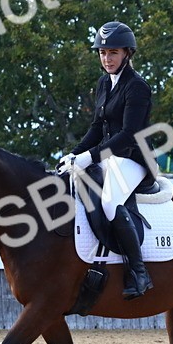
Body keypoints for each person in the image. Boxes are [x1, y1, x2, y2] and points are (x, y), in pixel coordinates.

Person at [57, 21, 154, 299]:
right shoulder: (103, 83)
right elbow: (97, 127)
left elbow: (128, 134)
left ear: (127, 53)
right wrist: (75, 154)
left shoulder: (137, 87)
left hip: (134, 158)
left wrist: (90, 157)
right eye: (102, 53)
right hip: (109, 157)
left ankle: (139, 272)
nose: (107, 59)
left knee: (111, 201)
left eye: (113, 53)